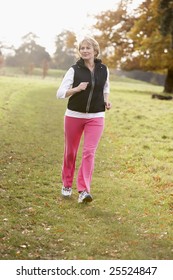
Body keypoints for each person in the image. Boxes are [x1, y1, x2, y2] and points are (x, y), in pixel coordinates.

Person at [56, 36, 111, 203]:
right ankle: (66, 184)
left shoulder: (103, 69)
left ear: (95, 50)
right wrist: (77, 89)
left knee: (89, 152)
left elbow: (106, 87)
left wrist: (106, 100)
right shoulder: (74, 70)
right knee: (70, 153)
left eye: (88, 48)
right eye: (82, 48)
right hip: (74, 116)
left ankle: (84, 190)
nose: (85, 51)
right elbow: (59, 94)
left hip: (96, 117)